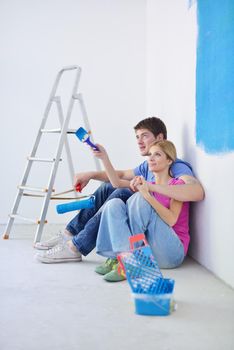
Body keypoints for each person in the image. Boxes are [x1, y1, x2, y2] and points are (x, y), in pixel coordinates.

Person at [35, 117, 204, 264]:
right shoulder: (147, 166)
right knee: (108, 187)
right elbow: (120, 177)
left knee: (123, 194)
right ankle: (69, 233)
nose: (139, 141)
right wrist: (94, 171)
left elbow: (195, 190)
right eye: (137, 137)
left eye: (144, 136)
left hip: (167, 239)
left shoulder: (176, 166)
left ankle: (76, 247)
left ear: (160, 138)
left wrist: (148, 188)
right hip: (151, 230)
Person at [93, 140, 189, 282]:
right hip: (149, 252)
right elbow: (117, 183)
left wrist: (146, 195)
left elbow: (172, 219)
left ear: (169, 160)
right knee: (114, 204)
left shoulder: (177, 185)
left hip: (172, 252)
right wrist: (104, 157)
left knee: (140, 199)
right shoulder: (147, 184)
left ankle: (130, 262)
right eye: (149, 154)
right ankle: (119, 257)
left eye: (157, 155)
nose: (150, 158)